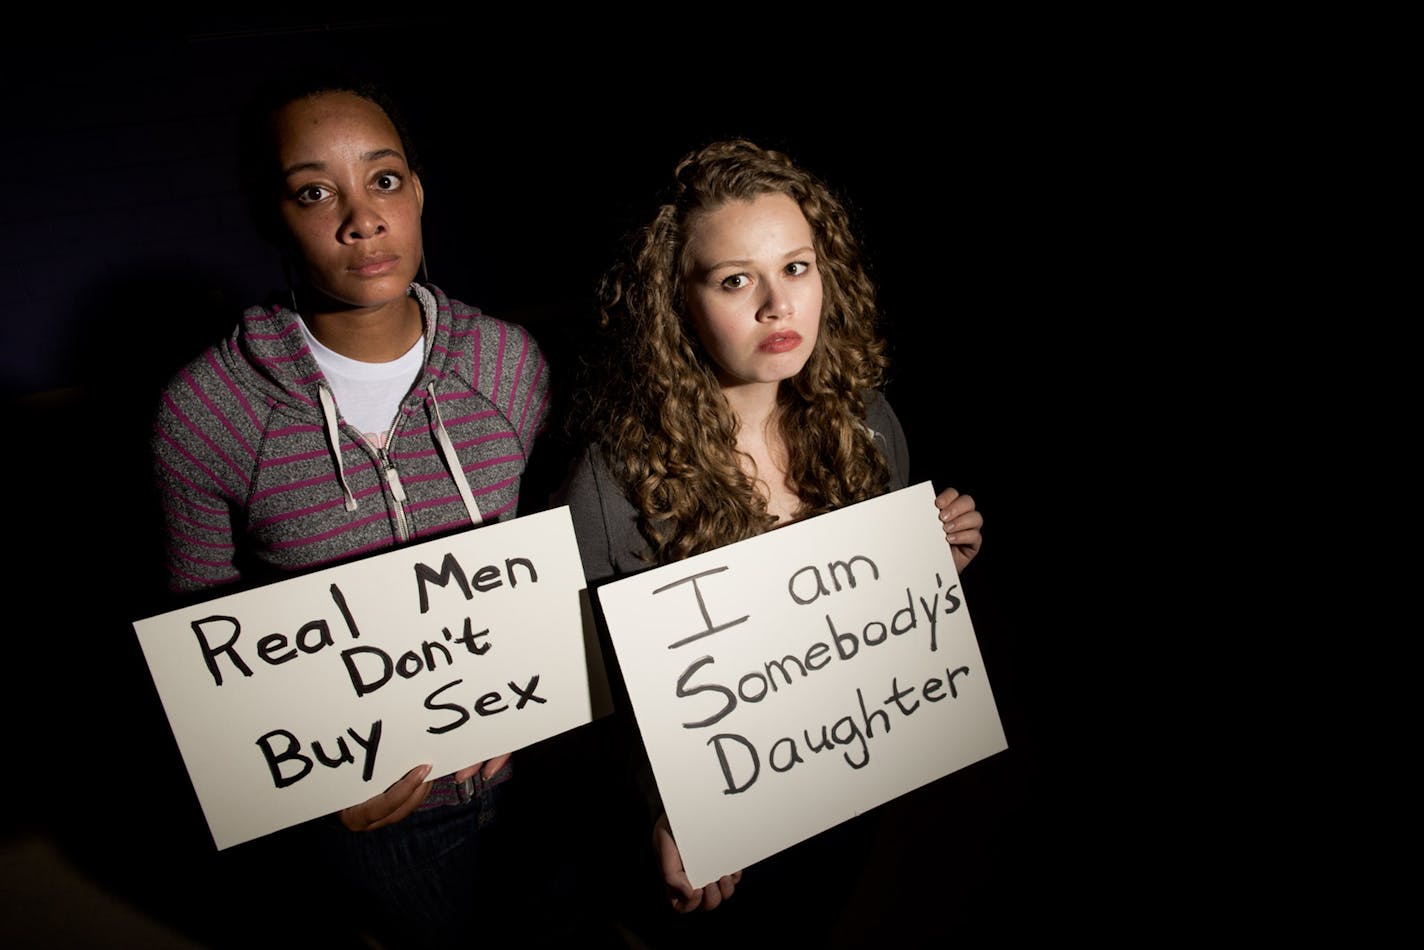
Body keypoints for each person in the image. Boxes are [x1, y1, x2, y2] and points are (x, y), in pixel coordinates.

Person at [149, 68, 550, 948]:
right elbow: (201, 635)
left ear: (417, 195)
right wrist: (299, 789)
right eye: (313, 191)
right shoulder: (206, 413)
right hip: (381, 817)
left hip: (539, 776)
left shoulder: (510, 366)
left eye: (384, 179)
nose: (361, 218)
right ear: (272, 217)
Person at [561, 139, 985, 941]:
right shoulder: (611, 483)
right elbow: (593, 709)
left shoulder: (864, 421)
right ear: (675, 304)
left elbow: (863, 638)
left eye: (796, 267)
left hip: (844, 794)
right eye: (734, 280)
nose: (777, 305)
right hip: (710, 851)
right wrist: (665, 813)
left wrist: (931, 574)